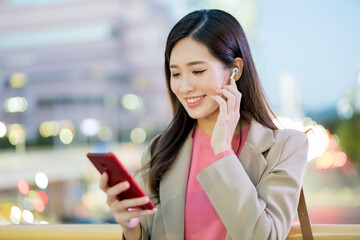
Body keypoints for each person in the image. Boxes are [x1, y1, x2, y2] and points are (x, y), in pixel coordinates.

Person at [99, 9, 308, 240]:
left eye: (197, 71)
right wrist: (131, 229)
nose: (184, 86)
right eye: (176, 73)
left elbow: (265, 236)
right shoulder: (159, 149)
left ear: (235, 70)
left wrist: (222, 151)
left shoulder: (286, 147)